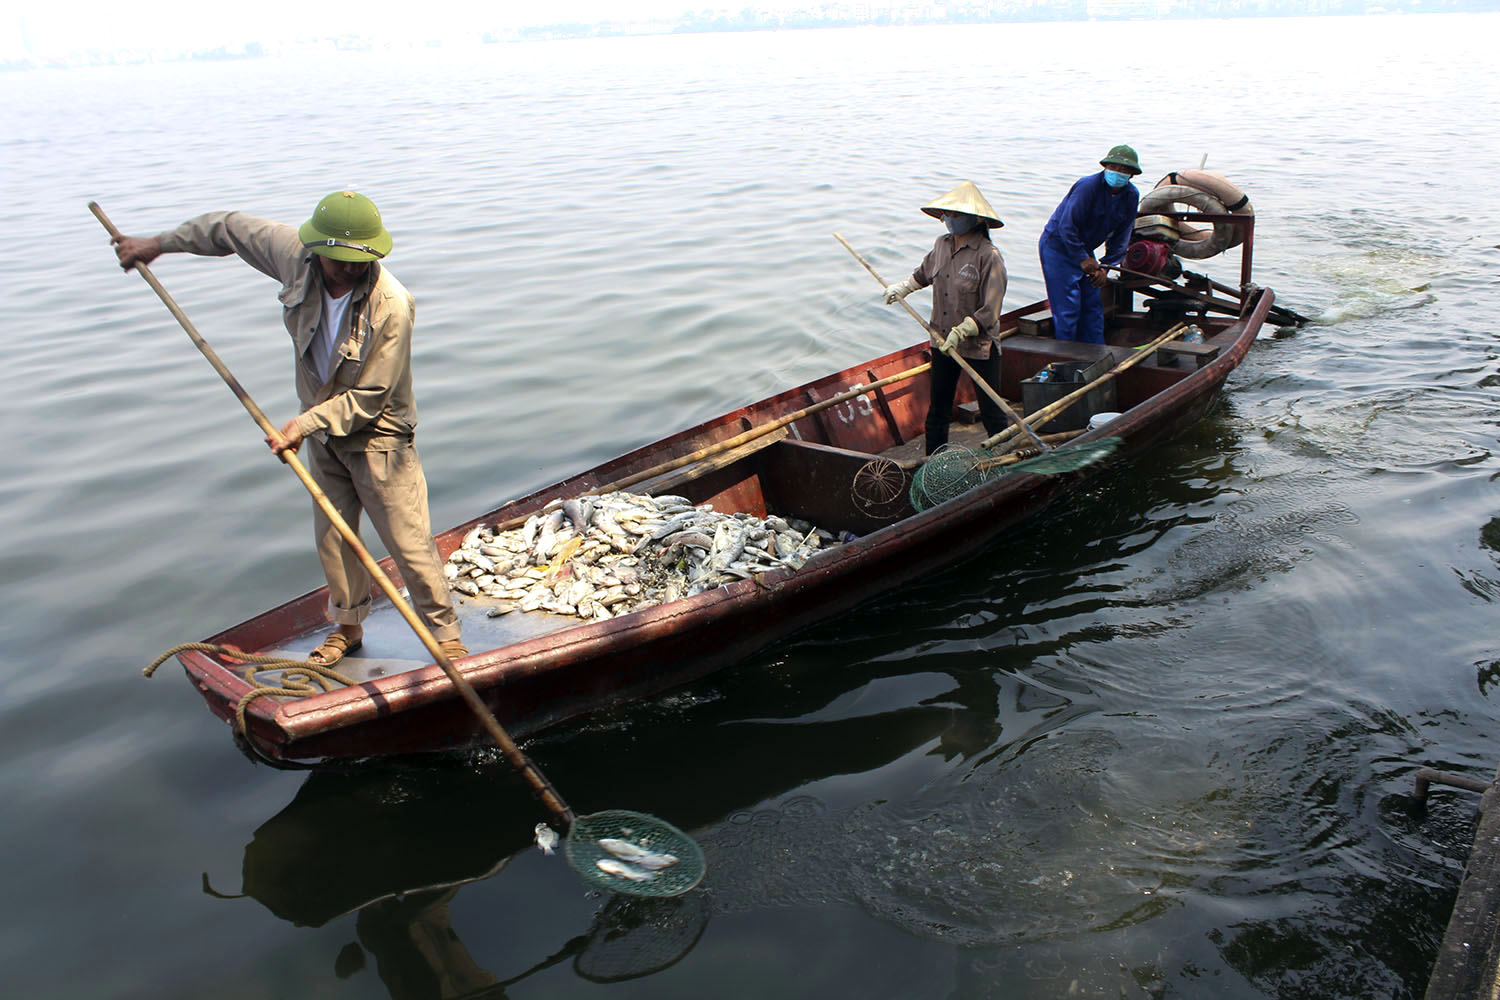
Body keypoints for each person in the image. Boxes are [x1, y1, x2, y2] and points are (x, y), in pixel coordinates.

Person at [113, 191, 466, 667]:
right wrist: (155, 244)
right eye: (341, 261)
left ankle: (445, 637)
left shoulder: (392, 306)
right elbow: (228, 228)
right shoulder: (295, 257)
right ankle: (348, 629)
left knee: (408, 540)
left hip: (379, 437)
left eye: (362, 260)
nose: (351, 268)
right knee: (335, 536)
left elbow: (370, 397)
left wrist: (303, 424)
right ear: (318, 249)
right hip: (321, 433)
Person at [882, 181, 1009, 456]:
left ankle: (1005, 460)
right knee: (938, 408)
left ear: (974, 219)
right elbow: (923, 274)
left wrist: (964, 330)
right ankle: (934, 462)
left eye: (954, 214)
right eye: (946, 214)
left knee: (992, 411)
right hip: (942, 340)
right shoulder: (941, 245)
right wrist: (902, 288)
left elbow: (991, 309)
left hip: (979, 346)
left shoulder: (989, 256)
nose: (947, 219)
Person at [1037, 144, 1143, 344]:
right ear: (1105, 167)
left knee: (1093, 304)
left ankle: (1094, 354)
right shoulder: (1087, 186)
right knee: (1068, 306)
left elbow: (1122, 235)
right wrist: (1082, 258)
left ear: (1132, 174)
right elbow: (1067, 226)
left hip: (1085, 250)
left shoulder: (1131, 195)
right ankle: (1065, 357)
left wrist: (1105, 267)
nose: (1118, 173)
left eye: (1124, 170)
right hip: (1057, 246)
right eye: (1114, 168)